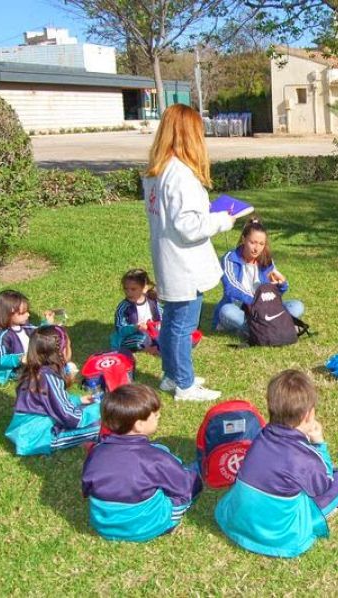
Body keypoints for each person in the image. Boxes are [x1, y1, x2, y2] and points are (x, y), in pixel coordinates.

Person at [144, 103, 238, 401]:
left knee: (172, 321)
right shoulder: (181, 174)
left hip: (169, 257)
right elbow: (188, 226)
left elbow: (176, 218)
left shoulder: (157, 172)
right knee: (183, 325)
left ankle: (173, 375)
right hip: (184, 262)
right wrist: (222, 220)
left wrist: (205, 213)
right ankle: (184, 385)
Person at [215, 369, 338, 558]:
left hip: (236, 522)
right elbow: (323, 484)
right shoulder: (303, 456)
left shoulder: (261, 436)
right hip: (281, 538)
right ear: (309, 415)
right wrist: (319, 444)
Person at [81, 384, 202, 542]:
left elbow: (86, 489)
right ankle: (165, 523)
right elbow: (184, 486)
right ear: (138, 425)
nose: (159, 417)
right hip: (143, 527)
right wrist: (196, 480)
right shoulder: (156, 458)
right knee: (192, 480)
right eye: (156, 415)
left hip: (102, 524)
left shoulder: (96, 451)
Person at [4, 326, 100, 455]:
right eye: (69, 346)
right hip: (38, 439)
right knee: (101, 427)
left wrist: (79, 400)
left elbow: (49, 401)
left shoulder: (35, 371)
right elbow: (72, 418)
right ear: (62, 351)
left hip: (25, 431)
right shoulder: (49, 378)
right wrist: (101, 409)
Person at [213, 218, 305, 337]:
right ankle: (273, 328)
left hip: (263, 310)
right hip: (240, 308)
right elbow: (231, 289)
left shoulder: (266, 261)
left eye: (261, 244)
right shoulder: (230, 258)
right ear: (244, 239)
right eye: (253, 242)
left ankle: (258, 330)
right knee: (226, 311)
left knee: (297, 306)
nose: (257, 248)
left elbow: (273, 295)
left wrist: (282, 285)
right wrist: (257, 303)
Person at [0, 289, 36, 385]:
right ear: (9, 314)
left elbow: (37, 332)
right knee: (37, 376)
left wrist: (48, 324)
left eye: (27, 311)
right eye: (22, 313)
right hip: (14, 370)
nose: (28, 315)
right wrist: (19, 359)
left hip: (30, 360)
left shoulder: (24, 325)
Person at [110, 269, 161, 354]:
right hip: (133, 335)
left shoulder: (153, 301)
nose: (128, 292)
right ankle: (147, 349)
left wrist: (160, 325)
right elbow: (120, 328)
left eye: (133, 289)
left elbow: (161, 316)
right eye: (126, 289)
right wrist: (135, 327)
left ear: (145, 288)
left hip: (152, 331)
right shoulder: (124, 307)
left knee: (167, 332)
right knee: (140, 339)